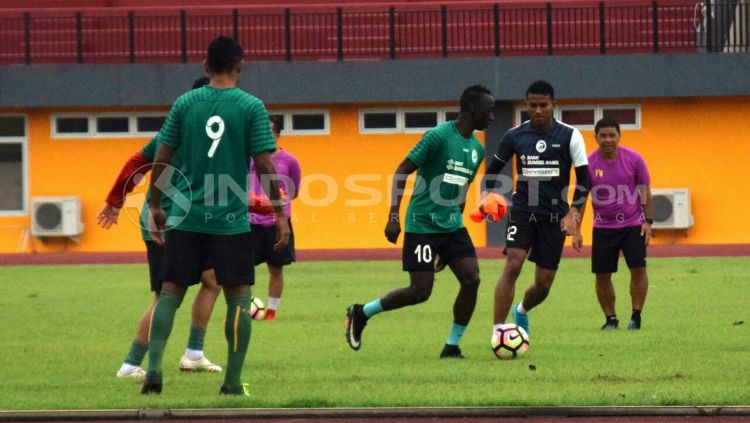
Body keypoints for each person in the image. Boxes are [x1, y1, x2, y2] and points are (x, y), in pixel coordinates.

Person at [143, 35, 290, 395]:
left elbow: (161, 157)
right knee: (239, 297)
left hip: (187, 217)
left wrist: (156, 204)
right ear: (240, 67)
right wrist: (280, 211)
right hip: (230, 221)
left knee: (170, 292)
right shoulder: (251, 106)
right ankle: (232, 382)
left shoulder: (185, 104)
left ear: (205, 66)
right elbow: (265, 163)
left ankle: (153, 370)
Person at [345, 85, 494, 359]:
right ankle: (361, 312)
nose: (492, 117)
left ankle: (452, 347)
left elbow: (461, 189)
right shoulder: (437, 137)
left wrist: (452, 230)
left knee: (472, 278)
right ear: (472, 110)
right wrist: (393, 215)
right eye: (488, 110)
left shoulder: (477, 149)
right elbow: (402, 170)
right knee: (420, 291)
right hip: (422, 224)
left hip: (451, 226)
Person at [97, 76, 222, 379]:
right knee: (166, 295)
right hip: (165, 224)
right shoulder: (179, 132)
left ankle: (193, 354)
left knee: (212, 280)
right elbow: (137, 163)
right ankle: (130, 364)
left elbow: (136, 163)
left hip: (191, 223)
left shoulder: (206, 133)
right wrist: (115, 199)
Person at [484, 80, 590, 338]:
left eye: (544, 105)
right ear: (526, 106)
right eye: (533, 105)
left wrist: (573, 211)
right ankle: (499, 331)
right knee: (513, 264)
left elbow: (585, 180)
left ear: (554, 105)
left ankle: (521, 310)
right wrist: (487, 194)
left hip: (554, 215)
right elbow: (492, 172)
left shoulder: (570, 136)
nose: (538, 110)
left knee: (543, 285)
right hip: (523, 211)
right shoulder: (514, 136)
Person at [587, 117, 652, 330]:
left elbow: (645, 192)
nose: (608, 140)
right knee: (602, 275)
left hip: (633, 225)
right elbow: (580, 197)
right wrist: (576, 229)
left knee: (638, 268)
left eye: (612, 135)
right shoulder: (588, 164)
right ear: (596, 138)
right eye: (603, 136)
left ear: (619, 137)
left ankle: (636, 316)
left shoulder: (634, 159)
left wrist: (648, 222)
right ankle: (611, 319)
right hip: (603, 227)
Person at [249, 117, 301, 321]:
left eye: (269, 132)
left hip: (277, 223)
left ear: (278, 135)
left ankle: (271, 311)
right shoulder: (248, 158)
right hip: (250, 221)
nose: (264, 136)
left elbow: (294, 190)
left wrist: (277, 207)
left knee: (276, 268)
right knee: (243, 267)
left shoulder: (290, 161)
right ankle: (242, 308)